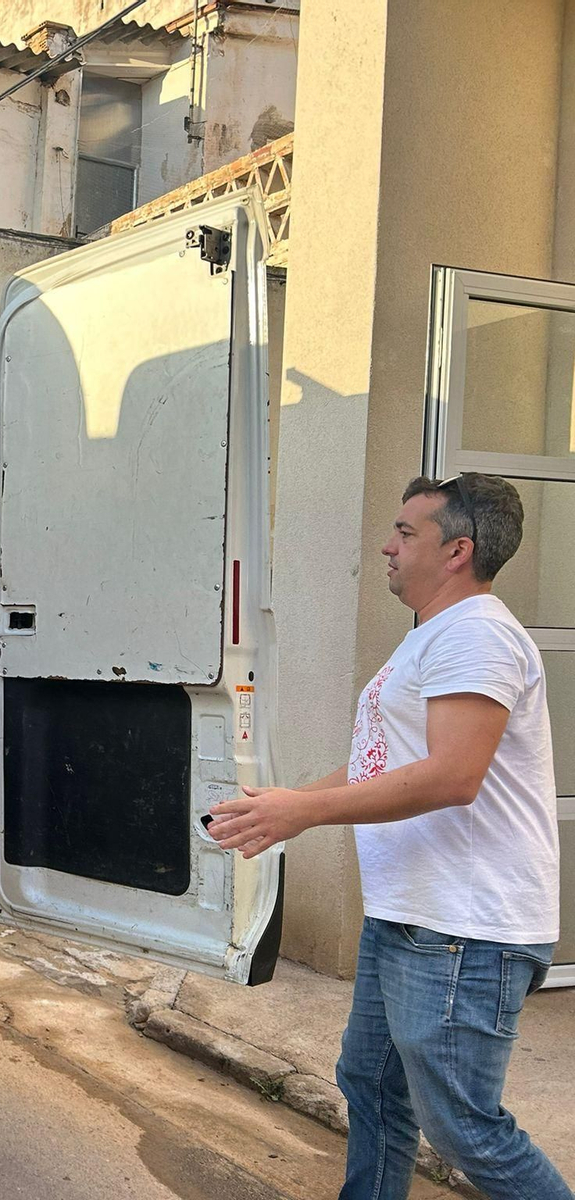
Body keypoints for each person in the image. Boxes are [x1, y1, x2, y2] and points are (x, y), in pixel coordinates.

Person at [207, 473, 568, 1200]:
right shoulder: (433, 636)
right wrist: (279, 803)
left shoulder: (478, 634)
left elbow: (451, 776)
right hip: (409, 913)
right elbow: (384, 764)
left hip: (465, 929)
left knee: (465, 1128)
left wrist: (304, 815)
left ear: (458, 549)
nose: (387, 547)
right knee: (369, 1082)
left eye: (406, 533)